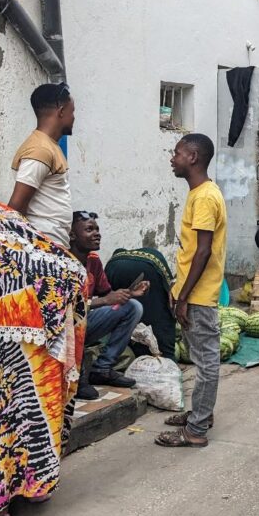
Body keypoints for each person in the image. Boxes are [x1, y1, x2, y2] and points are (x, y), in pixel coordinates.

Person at [0, 199, 87, 516]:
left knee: (2, 417)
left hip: (10, 327)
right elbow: (68, 268)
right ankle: (35, 484)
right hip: (35, 328)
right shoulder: (4, 215)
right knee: (26, 411)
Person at [155, 134, 227, 449]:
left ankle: (196, 430)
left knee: (207, 361)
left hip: (198, 296)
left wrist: (184, 297)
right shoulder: (199, 193)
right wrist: (177, 289)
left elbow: (203, 252)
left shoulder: (206, 197)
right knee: (200, 358)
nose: (173, 158)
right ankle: (200, 413)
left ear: (193, 157)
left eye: (178, 153)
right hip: (190, 293)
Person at [70, 213, 148, 397]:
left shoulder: (93, 260)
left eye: (97, 229)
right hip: (66, 326)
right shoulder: (63, 262)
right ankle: (76, 377)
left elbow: (106, 295)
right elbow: (65, 308)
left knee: (133, 307)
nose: (97, 233)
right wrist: (105, 301)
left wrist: (130, 293)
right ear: (72, 235)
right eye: (89, 229)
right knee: (72, 320)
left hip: (86, 321)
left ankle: (102, 369)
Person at [8, 82, 75, 247]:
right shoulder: (39, 150)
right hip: (43, 245)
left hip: (52, 243)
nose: (74, 117)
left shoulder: (49, 146)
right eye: (72, 111)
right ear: (61, 111)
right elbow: (15, 207)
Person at [105, 246, 177, 358]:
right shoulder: (155, 258)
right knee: (160, 315)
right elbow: (170, 298)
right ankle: (165, 357)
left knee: (121, 311)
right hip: (147, 268)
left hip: (113, 267)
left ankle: (124, 355)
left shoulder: (116, 257)